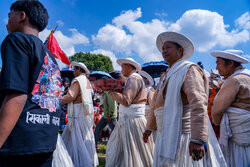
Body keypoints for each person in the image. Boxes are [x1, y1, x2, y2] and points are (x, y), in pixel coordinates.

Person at [143, 31, 226, 167]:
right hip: (165, 132)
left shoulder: (189, 70)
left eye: (168, 47)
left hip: (182, 135)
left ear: (180, 50)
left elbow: (198, 103)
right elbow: (155, 104)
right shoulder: (167, 75)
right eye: (163, 48)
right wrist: (149, 128)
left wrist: (198, 138)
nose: (164, 51)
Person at [0, 1, 62, 166]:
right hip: (45, 141)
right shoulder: (49, 56)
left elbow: (17, 94)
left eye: (9, 15)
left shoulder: (16, 40)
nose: (6, 21)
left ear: (22, 16)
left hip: (18, 144)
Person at [105, 58, 154, 167]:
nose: (121, 69)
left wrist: (111, 92)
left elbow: (126, 101)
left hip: (131, 121)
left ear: (128, 66)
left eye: (122, 66)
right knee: (135, 151)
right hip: (131, 120)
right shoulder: (134, 79)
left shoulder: (134, 79)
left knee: (132, 151)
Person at [210, 49, 250, 167]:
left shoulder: (234, 80)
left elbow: (217, 109)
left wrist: (216, 124)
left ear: (231, 63)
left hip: (237, 139)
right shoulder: (247, 77)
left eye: (219, 63)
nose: (216, 68)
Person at [61, 61, 98, 167]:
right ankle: (81, 160)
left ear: (79, 70)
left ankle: (77, 161)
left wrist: (57, 101)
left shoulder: (77, 81)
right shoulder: (86, 81)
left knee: (77, 136)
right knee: (83, 136)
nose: (73, 71)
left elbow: (71, 96)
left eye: (74, 69)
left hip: (78, 111)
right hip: (85, 111)